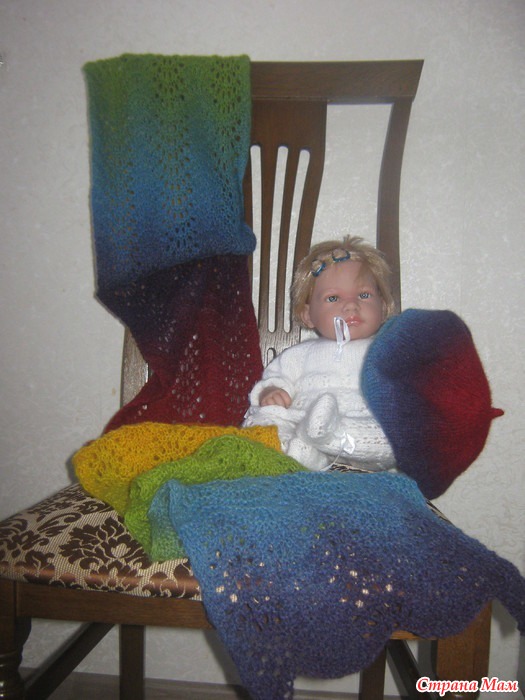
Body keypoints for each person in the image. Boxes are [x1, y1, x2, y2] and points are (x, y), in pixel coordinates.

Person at [243, 235, 397, 471]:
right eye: (333, 298)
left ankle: (327, 440)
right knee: (265, 418)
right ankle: (305, 455)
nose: (351, 305)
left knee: (393, 435)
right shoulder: (299, 355)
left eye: (364, 295)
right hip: (302, 422)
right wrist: (271, 392)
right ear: (308, 315)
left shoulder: (386, 352)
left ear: (383, 307)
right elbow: (276, 379)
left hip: (358, 429)